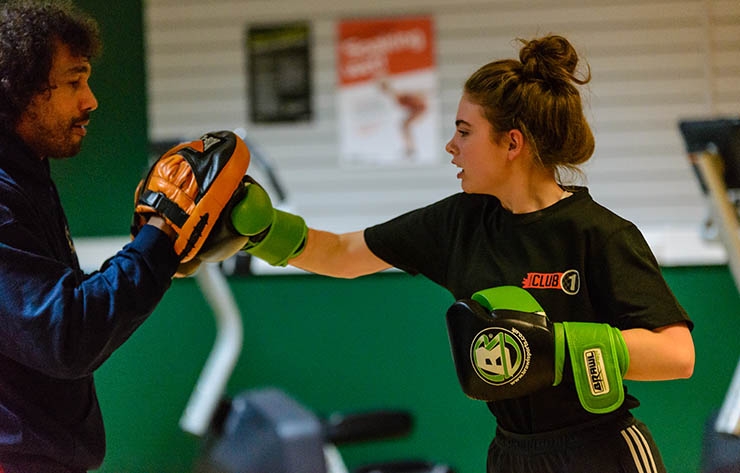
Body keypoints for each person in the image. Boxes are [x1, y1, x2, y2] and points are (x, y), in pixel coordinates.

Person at [226, 35, 695, 473]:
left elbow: (678, 355)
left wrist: (560, 347)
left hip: (603, 451)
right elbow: (344, 253)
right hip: (513, 452)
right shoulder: (460, 222)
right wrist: (260, 231)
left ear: (512, 143)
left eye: (465, 132)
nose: (451, 147)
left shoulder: (599, 233)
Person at [0, 2, 247, 472]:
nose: (90, 99)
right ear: (18, 90)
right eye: (74, 81)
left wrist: (157, 251)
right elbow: (65, 333)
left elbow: (66, 309)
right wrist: (162, 233)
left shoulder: (28, 176)